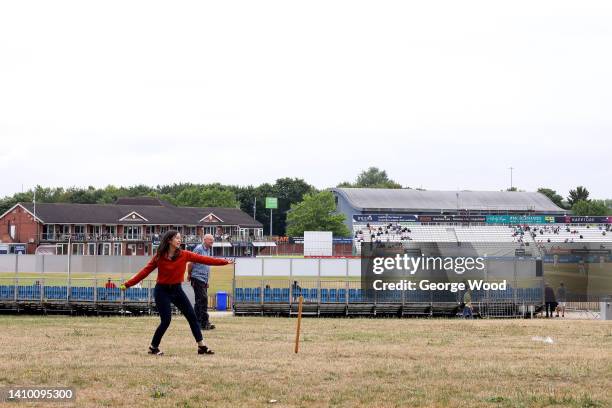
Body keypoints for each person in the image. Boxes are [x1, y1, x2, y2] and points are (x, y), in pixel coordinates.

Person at [120, 230, 232, 356]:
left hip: (177, 290)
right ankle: (153, 347)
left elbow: (205, 259)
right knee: (166, 320)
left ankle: (202, 347)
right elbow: (144, 272)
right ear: (169, 240)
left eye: (180, 238)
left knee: (192, 317)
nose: (179, 240)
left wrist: (224, 261)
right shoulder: (159, 256)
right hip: (162, 291)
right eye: (177, 238)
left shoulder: (184, 254)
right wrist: (128, 284)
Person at [187, 233, 218, 330]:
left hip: (203, 279)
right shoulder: (199, 249)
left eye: (213, 241)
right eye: (210, 240)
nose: (212, 242)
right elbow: (191, 263)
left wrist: (207, 280)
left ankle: (198, 323)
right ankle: (204, 323)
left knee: (199, 301)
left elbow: (207, 266)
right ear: (204, 240)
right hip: (197, 277)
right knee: (203, 300)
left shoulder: (208, 250)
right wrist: (189, 275)